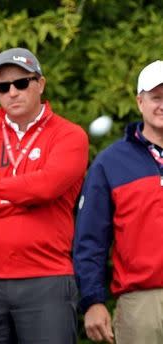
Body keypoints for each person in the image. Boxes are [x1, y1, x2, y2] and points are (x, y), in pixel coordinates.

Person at [0, 47, 89, 343]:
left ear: (40, 83)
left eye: (21, 83)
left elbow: (47, 186)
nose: (12, 92)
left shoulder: (69, 135)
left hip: (46, 278)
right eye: (3, 86)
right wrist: (23, 199)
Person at [73, 60, 163, 344]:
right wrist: (92, 300)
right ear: (140, 101)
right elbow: (90, 239)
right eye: (156, 97)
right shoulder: (110, 163)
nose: (162, 105)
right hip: (141, 303)